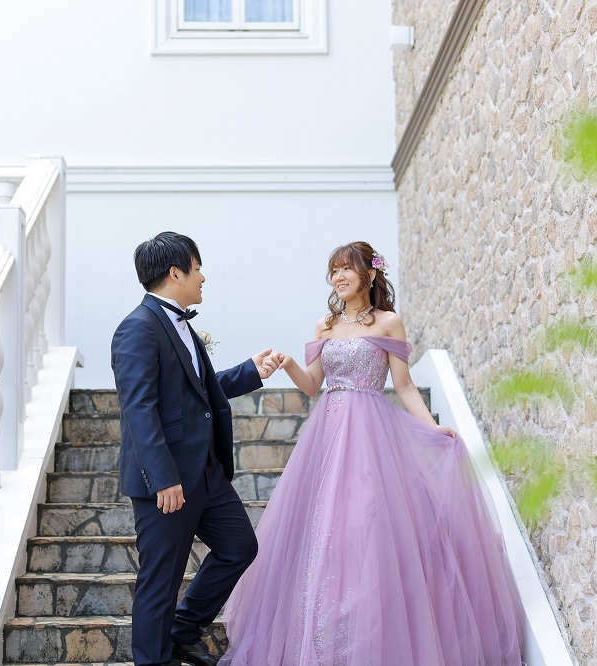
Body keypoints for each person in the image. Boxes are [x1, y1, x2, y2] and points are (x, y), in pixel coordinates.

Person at [220, 242, 524, 665]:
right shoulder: (325, 324)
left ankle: (372, 633)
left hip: (371, 434)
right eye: (333, 271)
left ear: (370, 273)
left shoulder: (388, 322)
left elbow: (405, 386)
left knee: (369, 524)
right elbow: (312, 386)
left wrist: (432, 427)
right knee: (325, 529)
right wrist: (288, 363)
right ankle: (326, 635)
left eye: (346, 269)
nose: (338, 277)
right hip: (328, 436)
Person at [111, 232, 282, 666]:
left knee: (239, 547)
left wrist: (250, 371)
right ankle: (154, 660)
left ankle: (182, 632)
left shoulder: (181, 325)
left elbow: (200, 391)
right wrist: (163, 477)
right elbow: (139, 410)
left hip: (206, 472)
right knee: (161, 579)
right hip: (168, 479)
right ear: (176, 273)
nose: (203, 277)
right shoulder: (137, 327)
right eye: (198, 267)